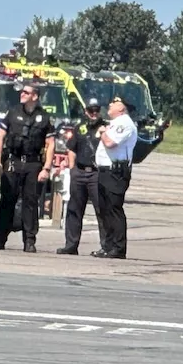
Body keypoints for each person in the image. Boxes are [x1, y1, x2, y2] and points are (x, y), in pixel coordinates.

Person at [0, 81, 55, 253]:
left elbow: (50, 144)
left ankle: (29, 240)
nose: (22, 94)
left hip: (33, 163)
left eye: (26, 92)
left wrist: (46, 168)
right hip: (13, 161)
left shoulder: (44, 117)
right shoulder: (13, 112)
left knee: (30, 203)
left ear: (35, 96)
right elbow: (0, 137)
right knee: (7, 200)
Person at [57, 98, 105, 255]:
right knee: (74, 210)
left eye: (96, 110)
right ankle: (71, 245)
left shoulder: (106, 127)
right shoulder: (80, 128)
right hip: (79, 171)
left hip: (97, 173)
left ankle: (106, 246)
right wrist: (72, 169)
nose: (94, 113)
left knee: (101, 210)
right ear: (86, 111)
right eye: (91, 110)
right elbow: (71, 148)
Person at [93, 96, 137, 259]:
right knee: (104, 210)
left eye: (114, 104)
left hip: (116, 172)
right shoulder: (114, 123)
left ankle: (118, 248)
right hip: (105, 170)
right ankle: (107, 246)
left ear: (122, 108)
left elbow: (111, 143)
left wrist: (103, 132)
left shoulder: (124, 123)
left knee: (114, 209)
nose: (109, 105)